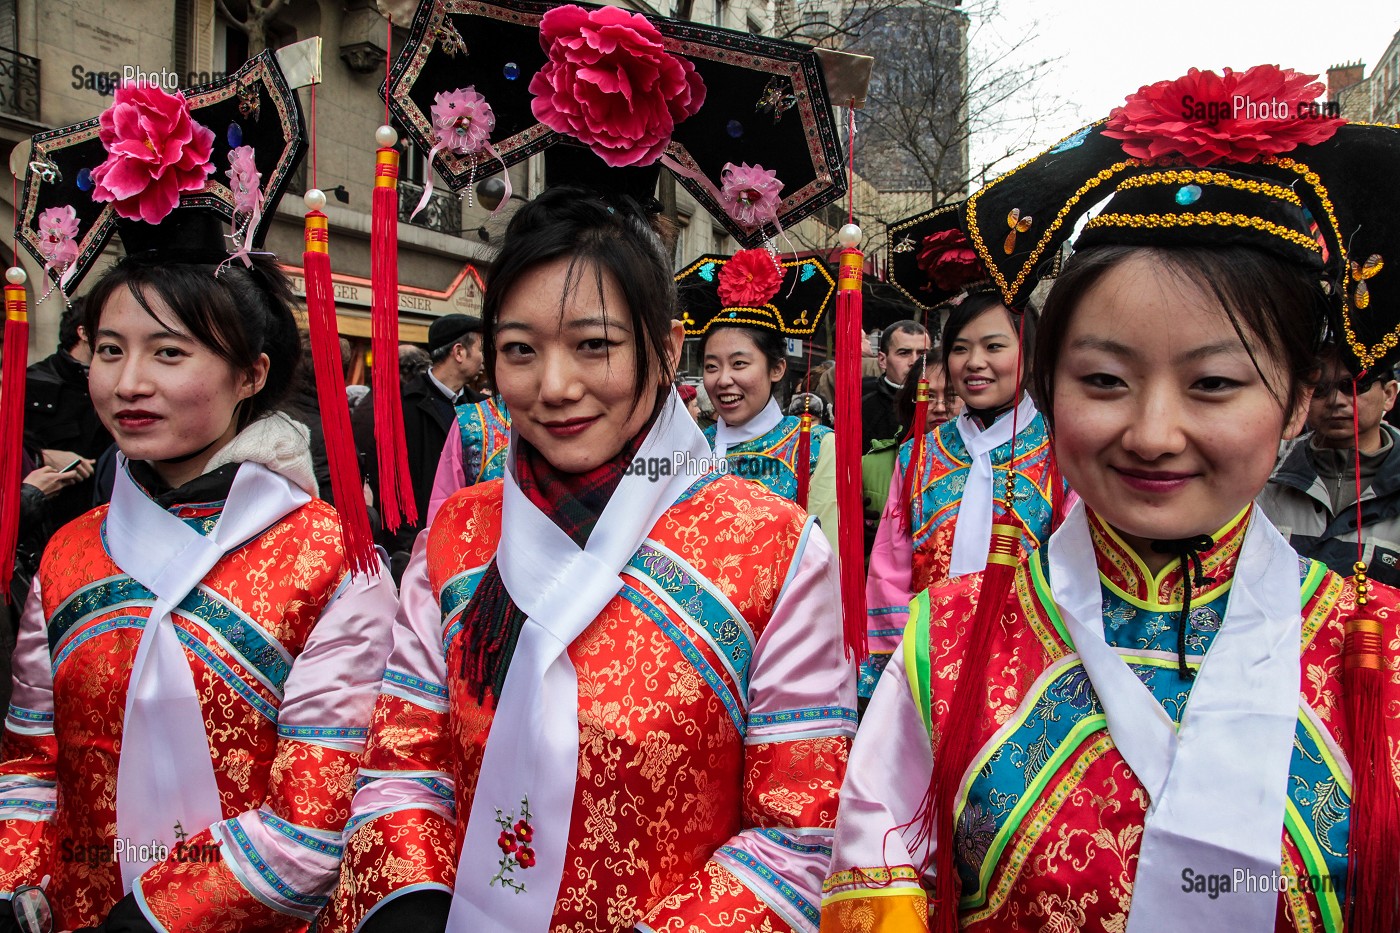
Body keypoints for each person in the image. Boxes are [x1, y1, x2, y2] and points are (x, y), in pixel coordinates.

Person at [822, 67, 1400, 932]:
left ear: (1290, 402)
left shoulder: (1379, 653)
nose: (1153, 432)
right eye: (1104, 379)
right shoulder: (945, 642)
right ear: (1048, 388)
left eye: (1212, 382)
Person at [328, 188, 854, 933]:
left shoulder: (774, 545)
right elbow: (403, 766)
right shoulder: (458, 535)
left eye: (594, 344)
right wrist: (413, 904)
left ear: (667, 350)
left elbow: (800, 836)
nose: (554, 387)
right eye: (520, 350)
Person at [0, 66, 397, 932]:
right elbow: (31, 762)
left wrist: (156, 917)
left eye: (170, 354)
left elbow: (319, 816)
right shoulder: (69, 549)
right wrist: (18, 885)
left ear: (252, 374)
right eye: (110, 349)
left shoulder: (332, 556)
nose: (129, 383)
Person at [861, 290, 1062, 697]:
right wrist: (905, 666)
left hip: (1030, 677)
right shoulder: (918, 456)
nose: (974, 362)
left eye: (994, 347)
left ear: (1030, 354)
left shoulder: (1062, 456)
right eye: (960, 348)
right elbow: (890, 567)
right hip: (923, 671)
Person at [681, 249, 843, 562]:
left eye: (739, 363)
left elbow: (825, 559)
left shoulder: (815, 447)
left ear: (777, 369)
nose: (723, 379)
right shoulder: (693, 444)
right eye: (712, 366)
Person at [354, 314, 486, 576]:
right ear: (459, 352)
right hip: (415, 543)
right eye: (481, 349)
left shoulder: (479, 407)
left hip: (468, 539)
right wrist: (407, 541)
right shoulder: (401, 406)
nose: (485, 358)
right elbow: (385, 479)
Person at [1259, 349, 1400, 586]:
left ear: (1388, 394)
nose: (1336, 401)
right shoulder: (1263, 476)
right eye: (1320, 390)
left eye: (1354, 385)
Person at [23, 297, 108, 525]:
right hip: (50, 517)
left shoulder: (120, 380)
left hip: (107, 511)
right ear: (83, 332)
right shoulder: (31, 383)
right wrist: (42, 456)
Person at [861, 319, 931, 454]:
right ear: (882, 360)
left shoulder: (948, 403)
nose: (915, 362)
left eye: (923, 354)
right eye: (904, 353)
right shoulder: (862, 409)